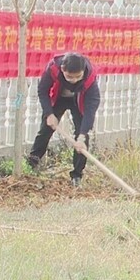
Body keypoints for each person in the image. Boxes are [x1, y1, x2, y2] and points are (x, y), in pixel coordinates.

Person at [27, 53, 100, 187]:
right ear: (62, 69)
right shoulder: (53, 68)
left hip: (79, 101)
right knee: (46, 130)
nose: (74, 80)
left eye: (78, 76)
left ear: (83, 71)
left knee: (82, 137)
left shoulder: (90, 77)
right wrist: (49, 113)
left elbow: (91, 109)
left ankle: (77, 175)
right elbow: (42, 91)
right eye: (69, 76)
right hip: (58, 98)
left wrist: (82, 136)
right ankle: (32, 163)